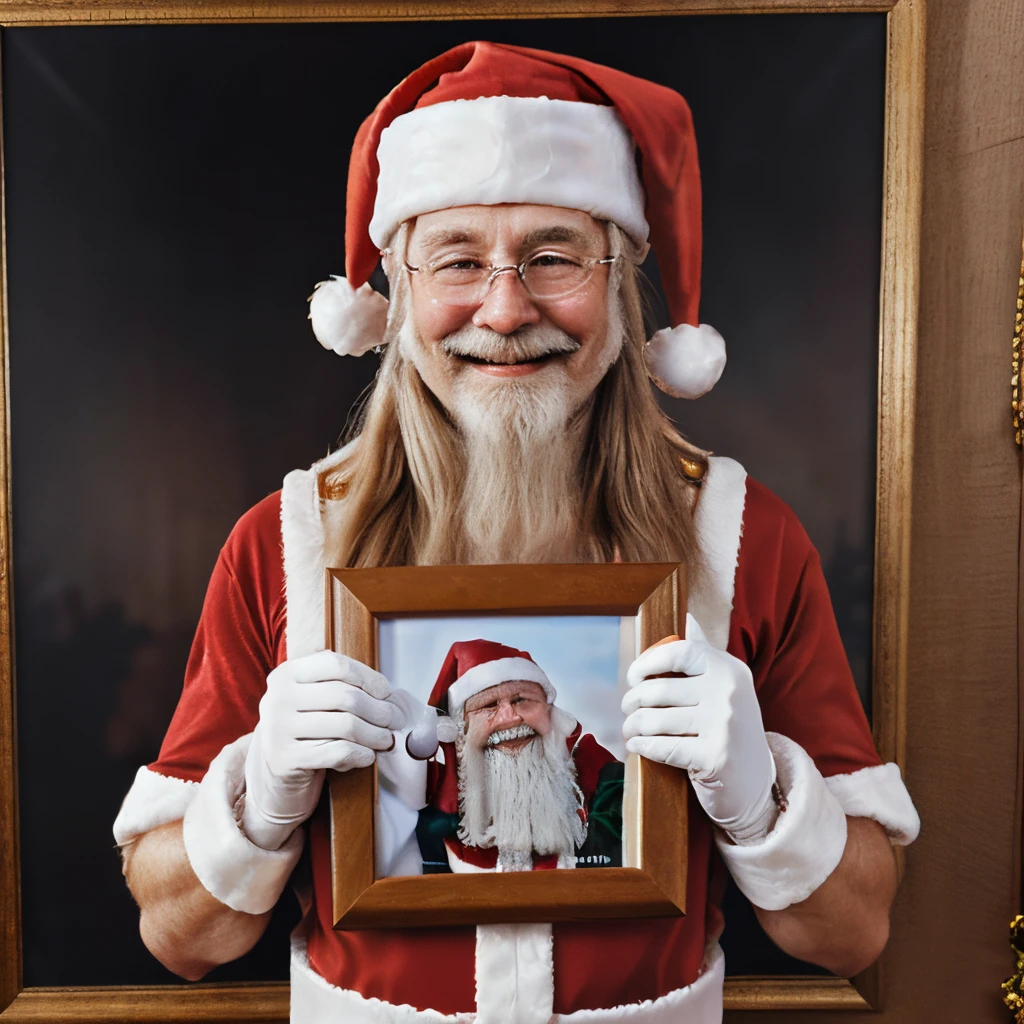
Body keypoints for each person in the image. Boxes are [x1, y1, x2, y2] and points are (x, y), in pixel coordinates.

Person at [112, 40, 920, 1024]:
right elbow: (180, 937)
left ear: (621, 285)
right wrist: (258, 796)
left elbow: (854, 932)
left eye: (553, 256)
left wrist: (763, 800)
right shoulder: (283, 540)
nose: (504, 308)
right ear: (397, 293)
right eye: (456, 257)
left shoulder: (744, 534)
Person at [411, 638, 624, 875]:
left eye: (521, 700)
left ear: (549, 711)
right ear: (461, 729)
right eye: (489, 705)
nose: (510, 718)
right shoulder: (425, 823)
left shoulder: (607, 788)